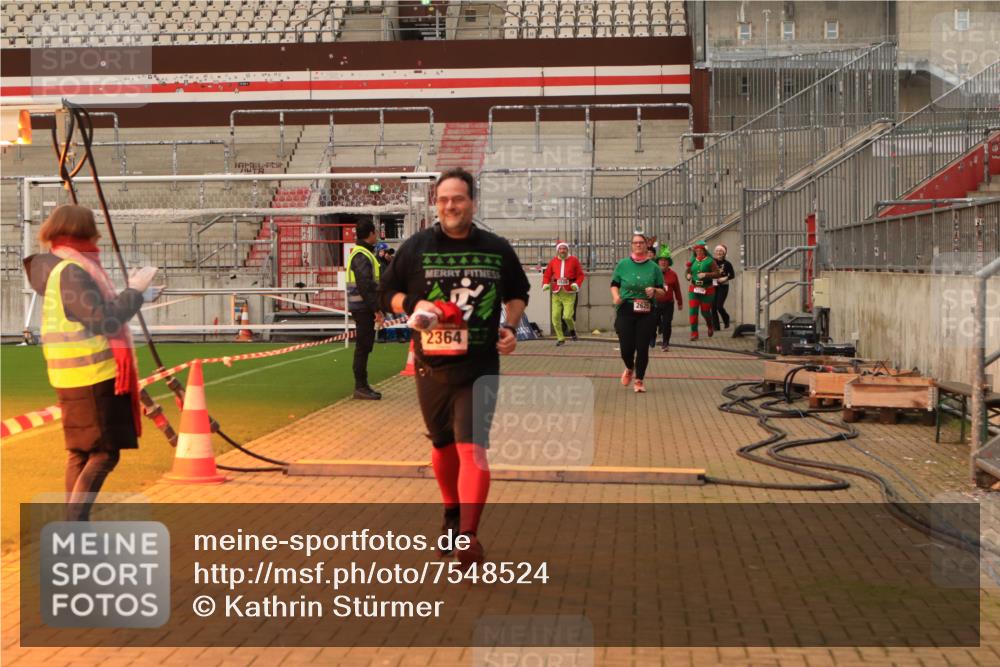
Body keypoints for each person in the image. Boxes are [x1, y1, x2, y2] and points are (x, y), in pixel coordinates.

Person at [379, 168, 530, 570]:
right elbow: (385, 292)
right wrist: (411, 305)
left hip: (479, 365)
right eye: (444, 199)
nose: (450, 206)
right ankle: (451, 512)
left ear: (472, 203)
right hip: (430, 367)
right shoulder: (417, 247)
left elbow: (518, 293)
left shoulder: (496, 249)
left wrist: (511, 327)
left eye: (458, 199)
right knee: (443, 445)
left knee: (472, 446)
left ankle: (468, 535)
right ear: (436, 204)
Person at [23, 205, 158, 521]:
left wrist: (139, 296)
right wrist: (134, 291)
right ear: (84, 230)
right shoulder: (73, 270)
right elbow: (104, 320)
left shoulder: (58, 268)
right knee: (104, 453)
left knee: (81, 453)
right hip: (93, 376)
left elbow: (93, 312)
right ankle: (74, 524)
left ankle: (74, 529)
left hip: (70, 375)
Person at [610, 232, 666, 393]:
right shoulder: (623, 264)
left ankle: (639, 380)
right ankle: (629, 367)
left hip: (646, 310)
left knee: (642, 348)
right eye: (635, 243)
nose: (638, 245)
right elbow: (614, 284)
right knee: (626, 348)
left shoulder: (654, 267)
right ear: (632, 245)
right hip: (626, 308)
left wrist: (654, 290)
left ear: (646, 245)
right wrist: (616, 297)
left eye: (641, 242)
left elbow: (662, 291)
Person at [347, 220, 384, 399]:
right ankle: (360, 386)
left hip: (362, 306)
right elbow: (365, 285)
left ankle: (362, 385)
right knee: (363, 346)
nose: (376, 236)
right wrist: (376, 309)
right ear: (370, 233)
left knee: (365, 345)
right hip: (363, 307)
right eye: (375, 232)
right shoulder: (362, 255)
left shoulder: (363, 253)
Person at [541, 240, 585, 346]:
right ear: (557, 250)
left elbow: (580, 275)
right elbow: (547, 275)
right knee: (555, 317)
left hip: (569, 293)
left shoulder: (574, 260)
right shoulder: (553, 261)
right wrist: (545, 284)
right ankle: (560, 338)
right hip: (556, 293)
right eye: (560, 249)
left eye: (564, 248)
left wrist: (576, 284)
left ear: (567, 250)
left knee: (567, 316)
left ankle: (572, 330)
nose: (562, 251)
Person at [685, 240, 722, 341]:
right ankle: (694, 333)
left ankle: (710, 325)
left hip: (707, 290)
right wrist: (688, 276)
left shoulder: (710, 261)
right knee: (693, 311)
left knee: (705, 312)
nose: (699, 252)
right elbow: (687, 272)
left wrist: (706, 275)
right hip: (694, 289)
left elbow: (717, 274)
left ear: (704, 251)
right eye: (697, 251)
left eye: (700, 250)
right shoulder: (692, 261)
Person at [653, 246, 684, 352]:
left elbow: (677, 289)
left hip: (668, 304)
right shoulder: (654, 273)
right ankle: (652, 337)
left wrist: (680, 302)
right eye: (661, 260)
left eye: (665, 260)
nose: (663, 262)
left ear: (668, 262)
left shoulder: (673, 274)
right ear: (658, 262)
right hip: (656, 303)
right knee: (653, 322)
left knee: (667, 324)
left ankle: (665, 343)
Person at [711, 244, 736, 330]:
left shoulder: (727, 264)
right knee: (713, 307)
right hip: (713, 285)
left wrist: (725, 278)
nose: (719, 253)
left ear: (724, 253)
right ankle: (716, 327)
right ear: (715, 252)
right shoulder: (711, 262)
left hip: (723, 286)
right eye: (717, 251)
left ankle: (726, 318)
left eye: (721, 251)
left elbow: (732, 275)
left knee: (719, 306)